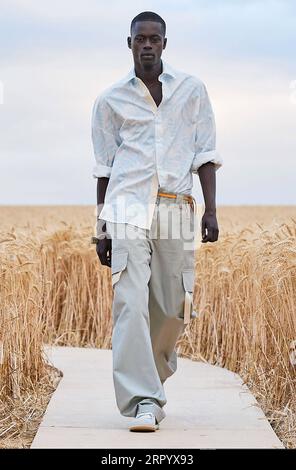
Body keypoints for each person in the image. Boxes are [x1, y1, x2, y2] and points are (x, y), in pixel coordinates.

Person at [91, 11, 223, 432]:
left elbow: (205, 153)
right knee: (129, 303)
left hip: (176, 208)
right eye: (139, 39)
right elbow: (104, 168)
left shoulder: (192, 90)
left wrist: (210, 209)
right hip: (126, 209)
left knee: (173, 308)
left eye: (154, 39)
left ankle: (153, 372)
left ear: (165, 43)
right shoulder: (110, 100)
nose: (146, 45)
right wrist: (101, 226)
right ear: (128, 43)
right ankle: (143, 399)